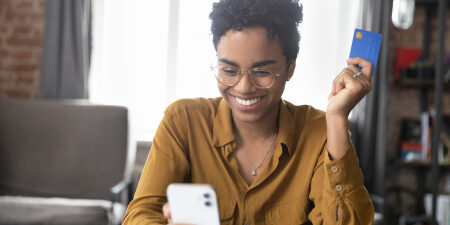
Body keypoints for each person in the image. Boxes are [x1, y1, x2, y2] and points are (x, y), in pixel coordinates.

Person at [122, 0, 374, 224]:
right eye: (229, 71)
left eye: (262, 72)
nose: (243, 88)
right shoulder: (183, 121)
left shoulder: (320, 131)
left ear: (290, 68)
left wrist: (338, 117)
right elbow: (141, 213)